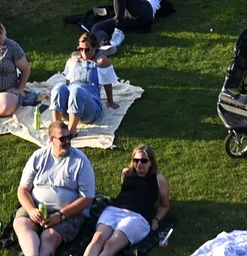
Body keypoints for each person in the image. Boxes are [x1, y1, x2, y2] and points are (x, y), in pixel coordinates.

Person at [11, 121, 96, 256]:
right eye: (63, 139)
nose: (68, 141)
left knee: (49, 237)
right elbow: (23, 190)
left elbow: (87, 199)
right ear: (51, 140)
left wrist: (60, 215)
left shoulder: (81, 161)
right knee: (22, 225)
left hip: (68, 213)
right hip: (37, 206)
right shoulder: (39, 156)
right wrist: (31, 210)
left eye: (69, 137)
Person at [83, 144, 170, 256]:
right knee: (97, 239)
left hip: (138, 217)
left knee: (110, 245)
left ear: (151, 163)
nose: (139, 164)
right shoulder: (126, 173)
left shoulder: (158, 179)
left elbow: (165, 205)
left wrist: (156, 219)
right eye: (136, 160)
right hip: (114, 210)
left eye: (144, 161)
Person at [49, 33, 118, 138]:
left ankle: (71, 131)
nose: (83, 52)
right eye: (80, 49)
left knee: (77, 90)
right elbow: (68, 77)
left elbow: (107, 82)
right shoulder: (75, 58)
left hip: (90, 108)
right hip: (69, 107)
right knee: (59, 87)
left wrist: (110, 101)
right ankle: (56, 128)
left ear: (95, 47)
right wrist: (63, 94)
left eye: (87, 49)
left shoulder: (101, 61)